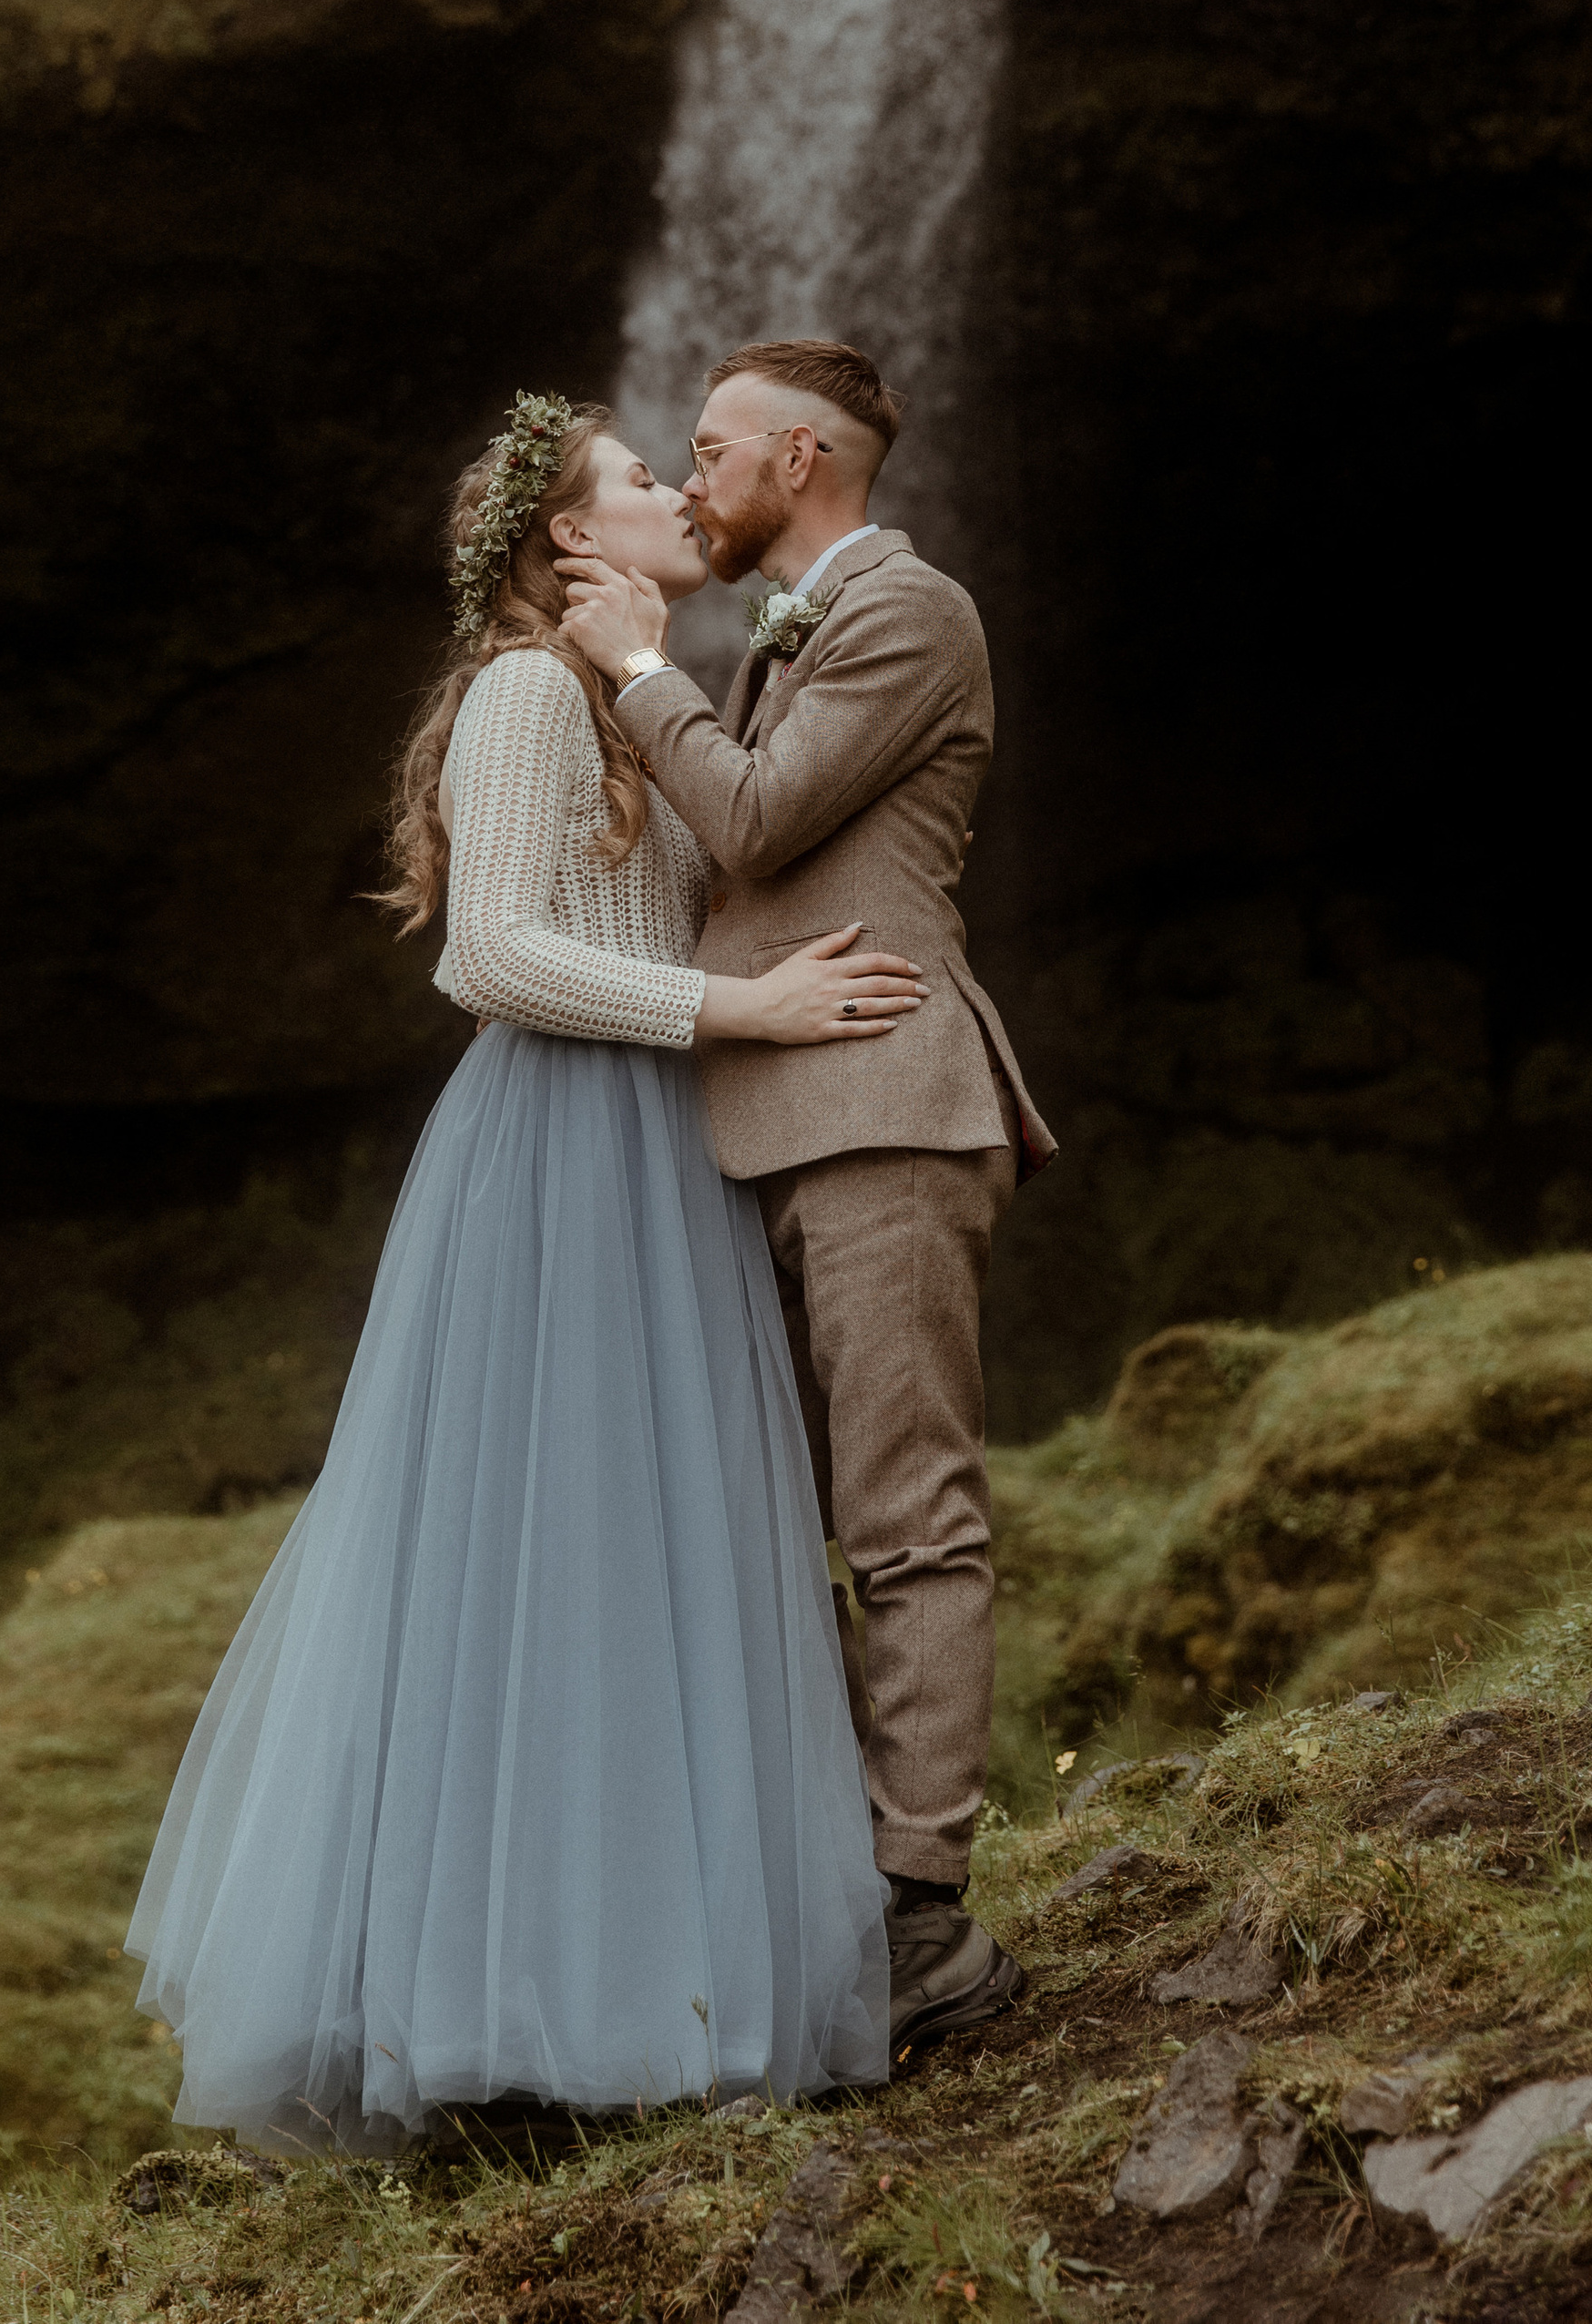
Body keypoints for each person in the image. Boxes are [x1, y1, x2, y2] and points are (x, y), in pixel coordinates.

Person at [128, 392, 927, 2153]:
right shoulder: (519, 695)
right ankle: (499, 2016)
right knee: (543, 1561)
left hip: (661, 1152)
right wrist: (746, 1009)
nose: (677, 491)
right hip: (564, 1154)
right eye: (642, 477)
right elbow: (489, 955)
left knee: (650, 1559)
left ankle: (645, 1991)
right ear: (571, 538)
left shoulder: (626, 696)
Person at [559, 338, 1056, 2056]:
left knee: (907, 1517)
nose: (688, 476)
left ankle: (921, 1919)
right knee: (757, 1521)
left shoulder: (912, 610)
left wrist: (635, 668)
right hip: (757, 1126)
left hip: (884, 1110)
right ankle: (807, 1888)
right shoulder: (782, 632)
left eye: (710, 449)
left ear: (799, 459)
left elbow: (762, 821)